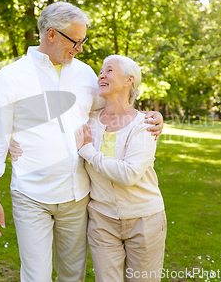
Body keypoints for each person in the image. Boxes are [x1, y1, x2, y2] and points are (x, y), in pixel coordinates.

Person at [0, 2, 163, 282]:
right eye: (75, 41)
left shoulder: (85, 73)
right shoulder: (11, 77)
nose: (80, 49)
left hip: (77, 196)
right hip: (31, 195)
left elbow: (116, 106)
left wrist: (152, 117)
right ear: (51, 35)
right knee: (36, 276)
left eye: (83, 41)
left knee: (72, 276)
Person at [75, 55, 166, 282]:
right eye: (101, 71)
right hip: (102, 220)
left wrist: (88, 151)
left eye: (109, 70)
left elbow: (129, 174)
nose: (101, 75)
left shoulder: (145, 124)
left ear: (128, 81)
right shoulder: (89, 120)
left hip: (144, 219)